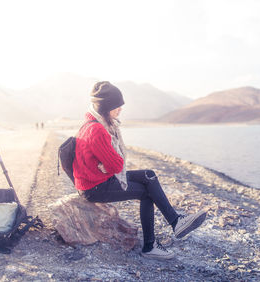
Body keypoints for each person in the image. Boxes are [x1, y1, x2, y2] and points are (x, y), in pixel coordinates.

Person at [73, 81, 207, 260]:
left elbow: (112, 164)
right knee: (146, 193)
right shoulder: (97, 130)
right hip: (95, 187)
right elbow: (116, 166)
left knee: (149, 175)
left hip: (98, 178)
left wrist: (106, 163)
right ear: (105, 107)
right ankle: (150, 246)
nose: (120, 109)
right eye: (116, 106)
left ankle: (177, 222)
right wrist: (108, 163)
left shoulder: (97, 123)